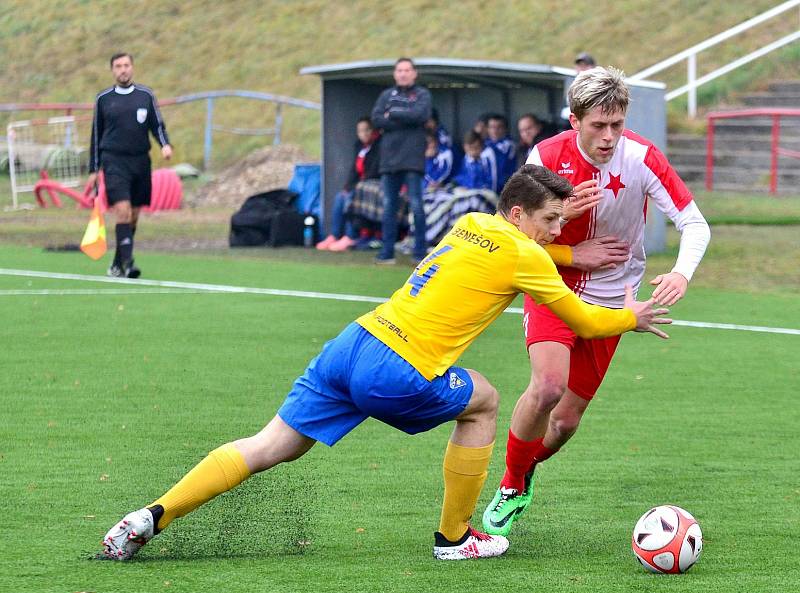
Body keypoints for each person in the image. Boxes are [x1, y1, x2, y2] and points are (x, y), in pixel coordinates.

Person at [100, 164, 671, 563]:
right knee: (486, 401)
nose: (554, 232)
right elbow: (586, 321)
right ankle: (454, 540)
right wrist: (632, 316)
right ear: (520, 214)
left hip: (353, 342)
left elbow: (506, 259)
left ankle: (152, 515)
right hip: (397, 367)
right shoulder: (528, 254)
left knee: (269, 445)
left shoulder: (472, 223)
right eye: (549, 220)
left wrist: (561, 246)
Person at [482, 66, 711, 536]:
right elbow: (511, 231)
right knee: (547, 387)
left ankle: (525, 466)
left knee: (564, 421)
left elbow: (695, 224)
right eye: (598, 126)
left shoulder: (642, 158)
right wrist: (571, 247)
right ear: (574, 120)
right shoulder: (545, 156)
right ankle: (510, 485)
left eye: (617, 124)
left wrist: (682, 274)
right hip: (553, 284)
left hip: (611, 300)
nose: (609, 137)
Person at [88, 52, 172, 278]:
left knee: (134, 215)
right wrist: (93, 169)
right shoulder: (103, 99)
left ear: (132, 68)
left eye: (126, 65)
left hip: (140, 162)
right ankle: (128, 263)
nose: (123, 70)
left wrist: (164, 145)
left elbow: (157, 125)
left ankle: (116, 263)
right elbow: (96, 135)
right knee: (122, 210)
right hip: (114, 161)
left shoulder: (145, 95)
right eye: (118, 66)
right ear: (112, 70)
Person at [371, 57, 432, 264]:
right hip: (389, 160)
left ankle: (420, 252)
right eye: (399, 70)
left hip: (413, 159)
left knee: (416, 206)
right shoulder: (386, 95)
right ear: (395, 74)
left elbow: (421, 116)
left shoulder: (422, 94)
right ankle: (387, 253)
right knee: (388, 206)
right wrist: (406, 117)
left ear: (414, 73)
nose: (403, 74)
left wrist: (394, 114)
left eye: (407, 70)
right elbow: (376, 119)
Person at [316, 117, 380, 251]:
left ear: (372, 130)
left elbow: (375, 170)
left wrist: (356, 186)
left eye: (366, 130)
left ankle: (351, 236)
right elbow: (354, 170)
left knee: (351, 198)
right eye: (360, 131)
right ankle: (335, 235)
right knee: (341, 196)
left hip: (371, 186)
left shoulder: (378, 146)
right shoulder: (359, 147)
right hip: (358, 185)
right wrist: (348, 186)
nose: (364, 134)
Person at [484, 114, 516, 192]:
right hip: (484, 187)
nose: (495, 130)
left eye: (499, 127)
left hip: (504, 188)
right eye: (492, 127)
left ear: (505, 129)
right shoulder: (483, 145)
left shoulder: (509, 146)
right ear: (487, 129)